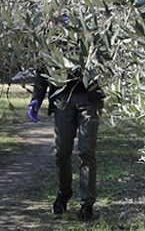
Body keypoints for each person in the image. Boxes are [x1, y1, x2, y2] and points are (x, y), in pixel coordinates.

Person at [28, 63, 104, 222]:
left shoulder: (91, 37)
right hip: (62, 98)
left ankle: (87, 204)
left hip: (89, 99)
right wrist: (36, 99)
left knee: (86, 152)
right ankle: (64, 193)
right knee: (62, 152)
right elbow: (42, 69)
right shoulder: (52, 39)